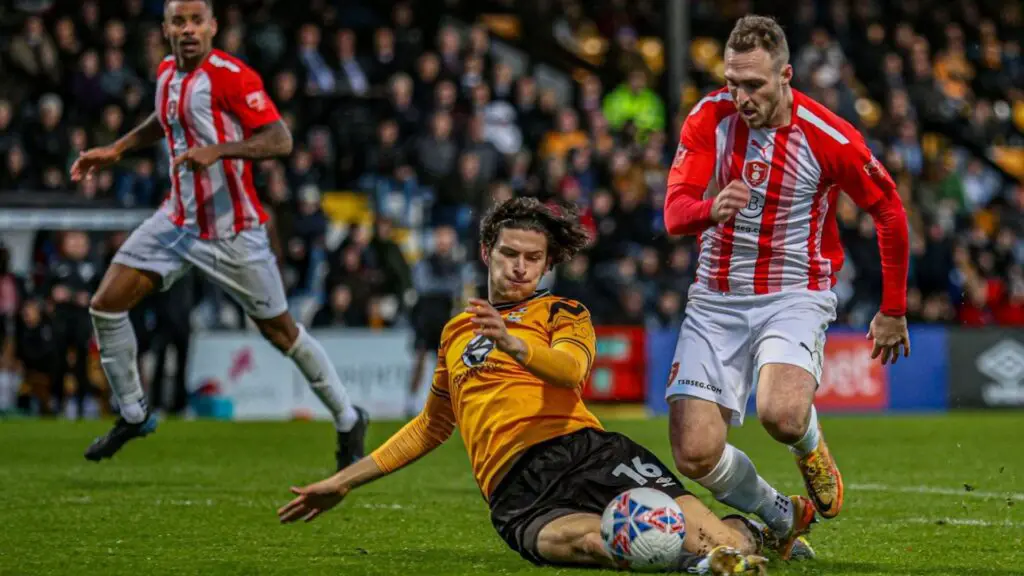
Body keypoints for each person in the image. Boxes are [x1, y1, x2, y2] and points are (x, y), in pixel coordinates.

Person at [277, 197, 773, 575]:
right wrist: (340, 482)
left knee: (714, 541)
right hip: (516, 491)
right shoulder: (456, 333)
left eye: (532, 259)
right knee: (599, 544)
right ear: (486, 252)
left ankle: (752, 531)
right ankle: (699, 568)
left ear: (545, 265)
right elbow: (430, 427)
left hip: (588, 453)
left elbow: (572, 370)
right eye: (509, 254)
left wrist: (515, 346)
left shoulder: (562, 312)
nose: (519, 267)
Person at [68, 0, 368, 468]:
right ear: (166, 28)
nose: (188, 30)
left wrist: (221, 150)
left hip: (234, 232)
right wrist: (116, 149)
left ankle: (349, 418)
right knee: (105, 306)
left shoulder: (231, 75)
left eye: (196, 21)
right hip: (177, 220)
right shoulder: (167, 72)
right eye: (179, 22)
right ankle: (133, 413)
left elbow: (280, 139)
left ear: (212, 26)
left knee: (281, 332)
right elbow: (163, 121)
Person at [662, 15, 910, 558]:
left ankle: (810, 445)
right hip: (716, 296)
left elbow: (889, 211)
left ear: (786, 76)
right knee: (694, 454)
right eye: (732, 82)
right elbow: (675, 213)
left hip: (793, 292)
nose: (741, 95)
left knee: (781, 413)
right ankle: (782, 512)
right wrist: (710, 208)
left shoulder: (829, 137)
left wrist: (892, 309)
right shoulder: (709, 117)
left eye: (754, 84)